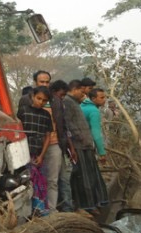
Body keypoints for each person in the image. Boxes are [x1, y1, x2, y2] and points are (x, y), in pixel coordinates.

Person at [63, 80, 108, 216]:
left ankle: (90, 204)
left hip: (84, 144)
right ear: (75, 89)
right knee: (86, 178)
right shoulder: (72, 103)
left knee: (85, 176)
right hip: (81, 146)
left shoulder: (77, 104)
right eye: (82, 92)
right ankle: (88, 206)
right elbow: (70, 124)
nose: (84, 95)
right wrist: (101, 151)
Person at [17, 86, 53, 216]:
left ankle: (39, 211)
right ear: (32, 96)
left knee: (40, 183)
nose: (41, 102)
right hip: (22, 154)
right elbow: (17, 132)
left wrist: (42, 156)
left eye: (44, 100)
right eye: (39, 98)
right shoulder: (23, 111)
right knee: (25, 183)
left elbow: (48, 136)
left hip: (38, 154)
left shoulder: (46, 115)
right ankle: (25, 213)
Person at [44, 80, 77, 212]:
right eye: (61, 94)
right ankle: (54, 209)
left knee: (61, 178)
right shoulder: (49, 103)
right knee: (54, 179)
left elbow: (63, 127)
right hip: (51, 145)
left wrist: (70, 147)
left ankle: (65, 207)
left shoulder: (57, 103)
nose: (62, 98)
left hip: (58, 145)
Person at [81, 88, 108, 164]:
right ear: (93, 98)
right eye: (101, 98)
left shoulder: (81, 106)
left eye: (105, 97)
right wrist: (102, 153)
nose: (104, 100)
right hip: (85, 145)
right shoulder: (93, 111)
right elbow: (96, 134)